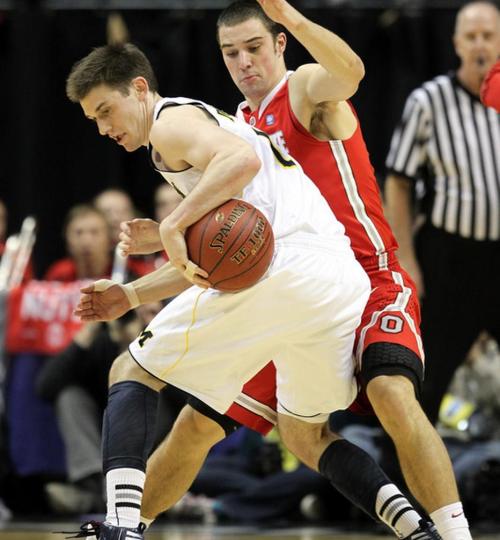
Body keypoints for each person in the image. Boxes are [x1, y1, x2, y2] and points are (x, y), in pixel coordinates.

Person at [123, 2, 470, 539]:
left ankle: (455, 534)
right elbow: (222, 253)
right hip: (292, 293)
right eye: (230, 53)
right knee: (204, 424)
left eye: (255, 47)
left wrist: (293, 15)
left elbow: (351, 73)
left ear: (281, 44)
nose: (244, 62)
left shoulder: (304, 88)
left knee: (390, 395)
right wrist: (164, 246)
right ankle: (129, 525)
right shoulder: (233, 131)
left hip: (368, 277)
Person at [385, 1, 500, 428]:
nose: (480, 45)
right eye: (471, 37)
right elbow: (397, 180)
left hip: (498, 257)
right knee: (427, 384)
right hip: (449, 259)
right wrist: (407, 261)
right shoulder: (429, 100)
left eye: (488, 35)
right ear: (456, 43)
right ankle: (404, 488)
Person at [44, 204, 112, 282]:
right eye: (78, 233)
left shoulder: (125, 271)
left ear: (109, 238)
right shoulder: (59, 274)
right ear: (66, 239)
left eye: (94, 232)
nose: (86, 241)